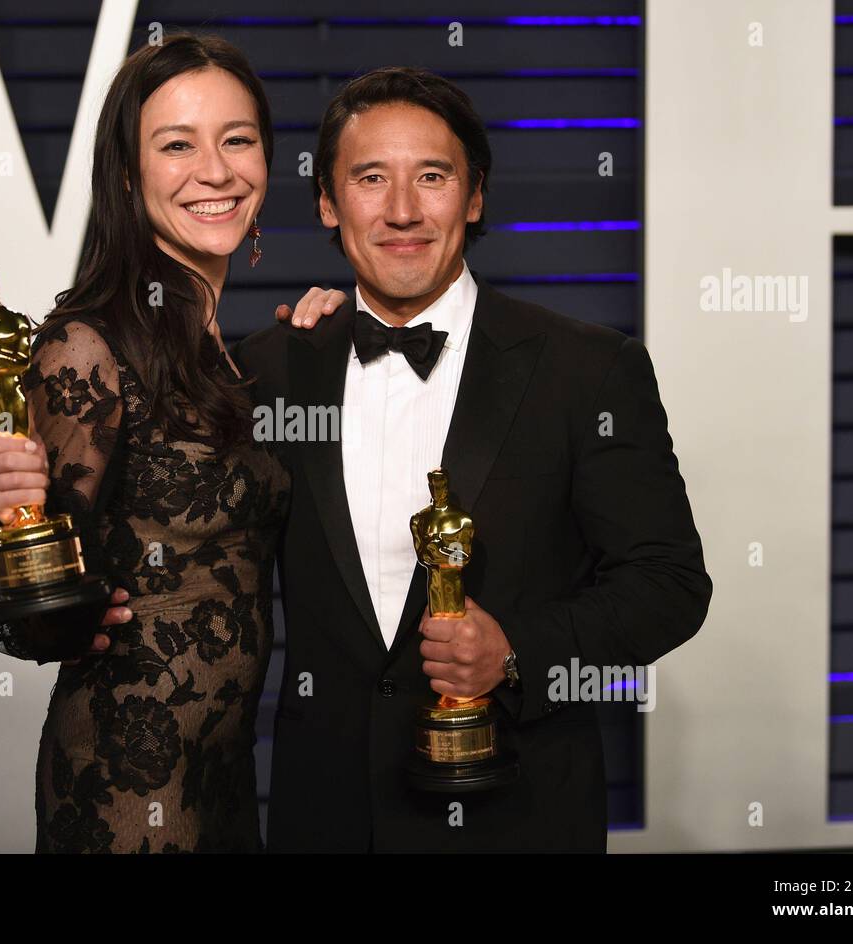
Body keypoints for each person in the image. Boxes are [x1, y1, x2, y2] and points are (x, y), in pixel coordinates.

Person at [234, 67, 713, 852]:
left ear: (475, 195)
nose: (401, 211)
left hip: (521, 816)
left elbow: (670, 584)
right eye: (369, 179)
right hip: (324, 818)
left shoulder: (587, 370)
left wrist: (517, 651)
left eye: (432, 177)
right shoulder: (270, 371)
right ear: (327, 202)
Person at [0, 34, 343, 853]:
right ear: (129, 177)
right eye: (178, 145)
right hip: (128, 778)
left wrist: (330, 343)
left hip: (228, 774)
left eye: (237, 140)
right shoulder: (87, 346)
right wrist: (11, 515)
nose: (215, 170)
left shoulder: (229, 357)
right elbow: (37, 614)